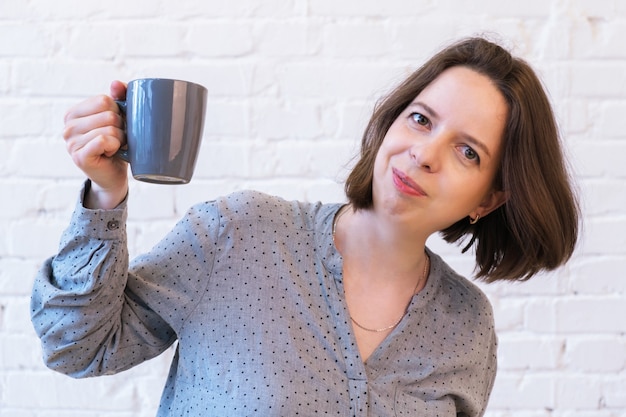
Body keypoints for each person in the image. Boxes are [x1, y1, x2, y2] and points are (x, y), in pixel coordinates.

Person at [31, 36, 579, 416]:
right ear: (391, 122)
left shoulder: (466, 326)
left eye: (467, 151)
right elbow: (76, 346)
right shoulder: (240, 234)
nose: (424, 154)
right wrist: (107, 192)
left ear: (489, 198)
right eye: (420, 118)